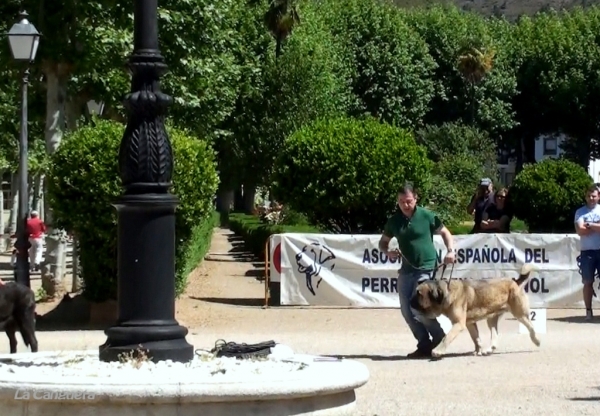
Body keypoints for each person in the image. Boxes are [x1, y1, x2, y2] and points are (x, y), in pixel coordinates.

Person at [378, 183, 456, 359]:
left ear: (415, 199)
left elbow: (445, 232)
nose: (405, 205)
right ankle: (424, 344)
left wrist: (450, 250)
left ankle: (439, 338)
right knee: (406, 310)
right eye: (401, 202)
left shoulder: (426, 215)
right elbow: (382, 243)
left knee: (418, 309)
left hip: (427, 267)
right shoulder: (394, 221)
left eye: (408, 201)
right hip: (406, 269)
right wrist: (387, 251)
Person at [574, 184, 600, 321]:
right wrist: (596, 226)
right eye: (589, 196)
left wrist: (589, 225)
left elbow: (585, 227)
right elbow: (580, 230)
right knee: (587, 282)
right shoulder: (580, 212)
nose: (591, 198)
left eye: (594, 196)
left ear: (598, 197)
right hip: (587, 252)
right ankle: (588, 311)